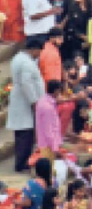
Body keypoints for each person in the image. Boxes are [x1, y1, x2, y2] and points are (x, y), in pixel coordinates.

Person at [8, 39, 44, 171]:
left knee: (22, 134)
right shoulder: (26, 63)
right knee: (25, 135)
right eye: (39, 51)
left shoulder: (19, 58)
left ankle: (22, 161)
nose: (39, 54)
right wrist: (34, 101)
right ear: (33, 49)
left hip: (21, 101)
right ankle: (22, 163)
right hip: (24, 102)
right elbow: (26, 84)